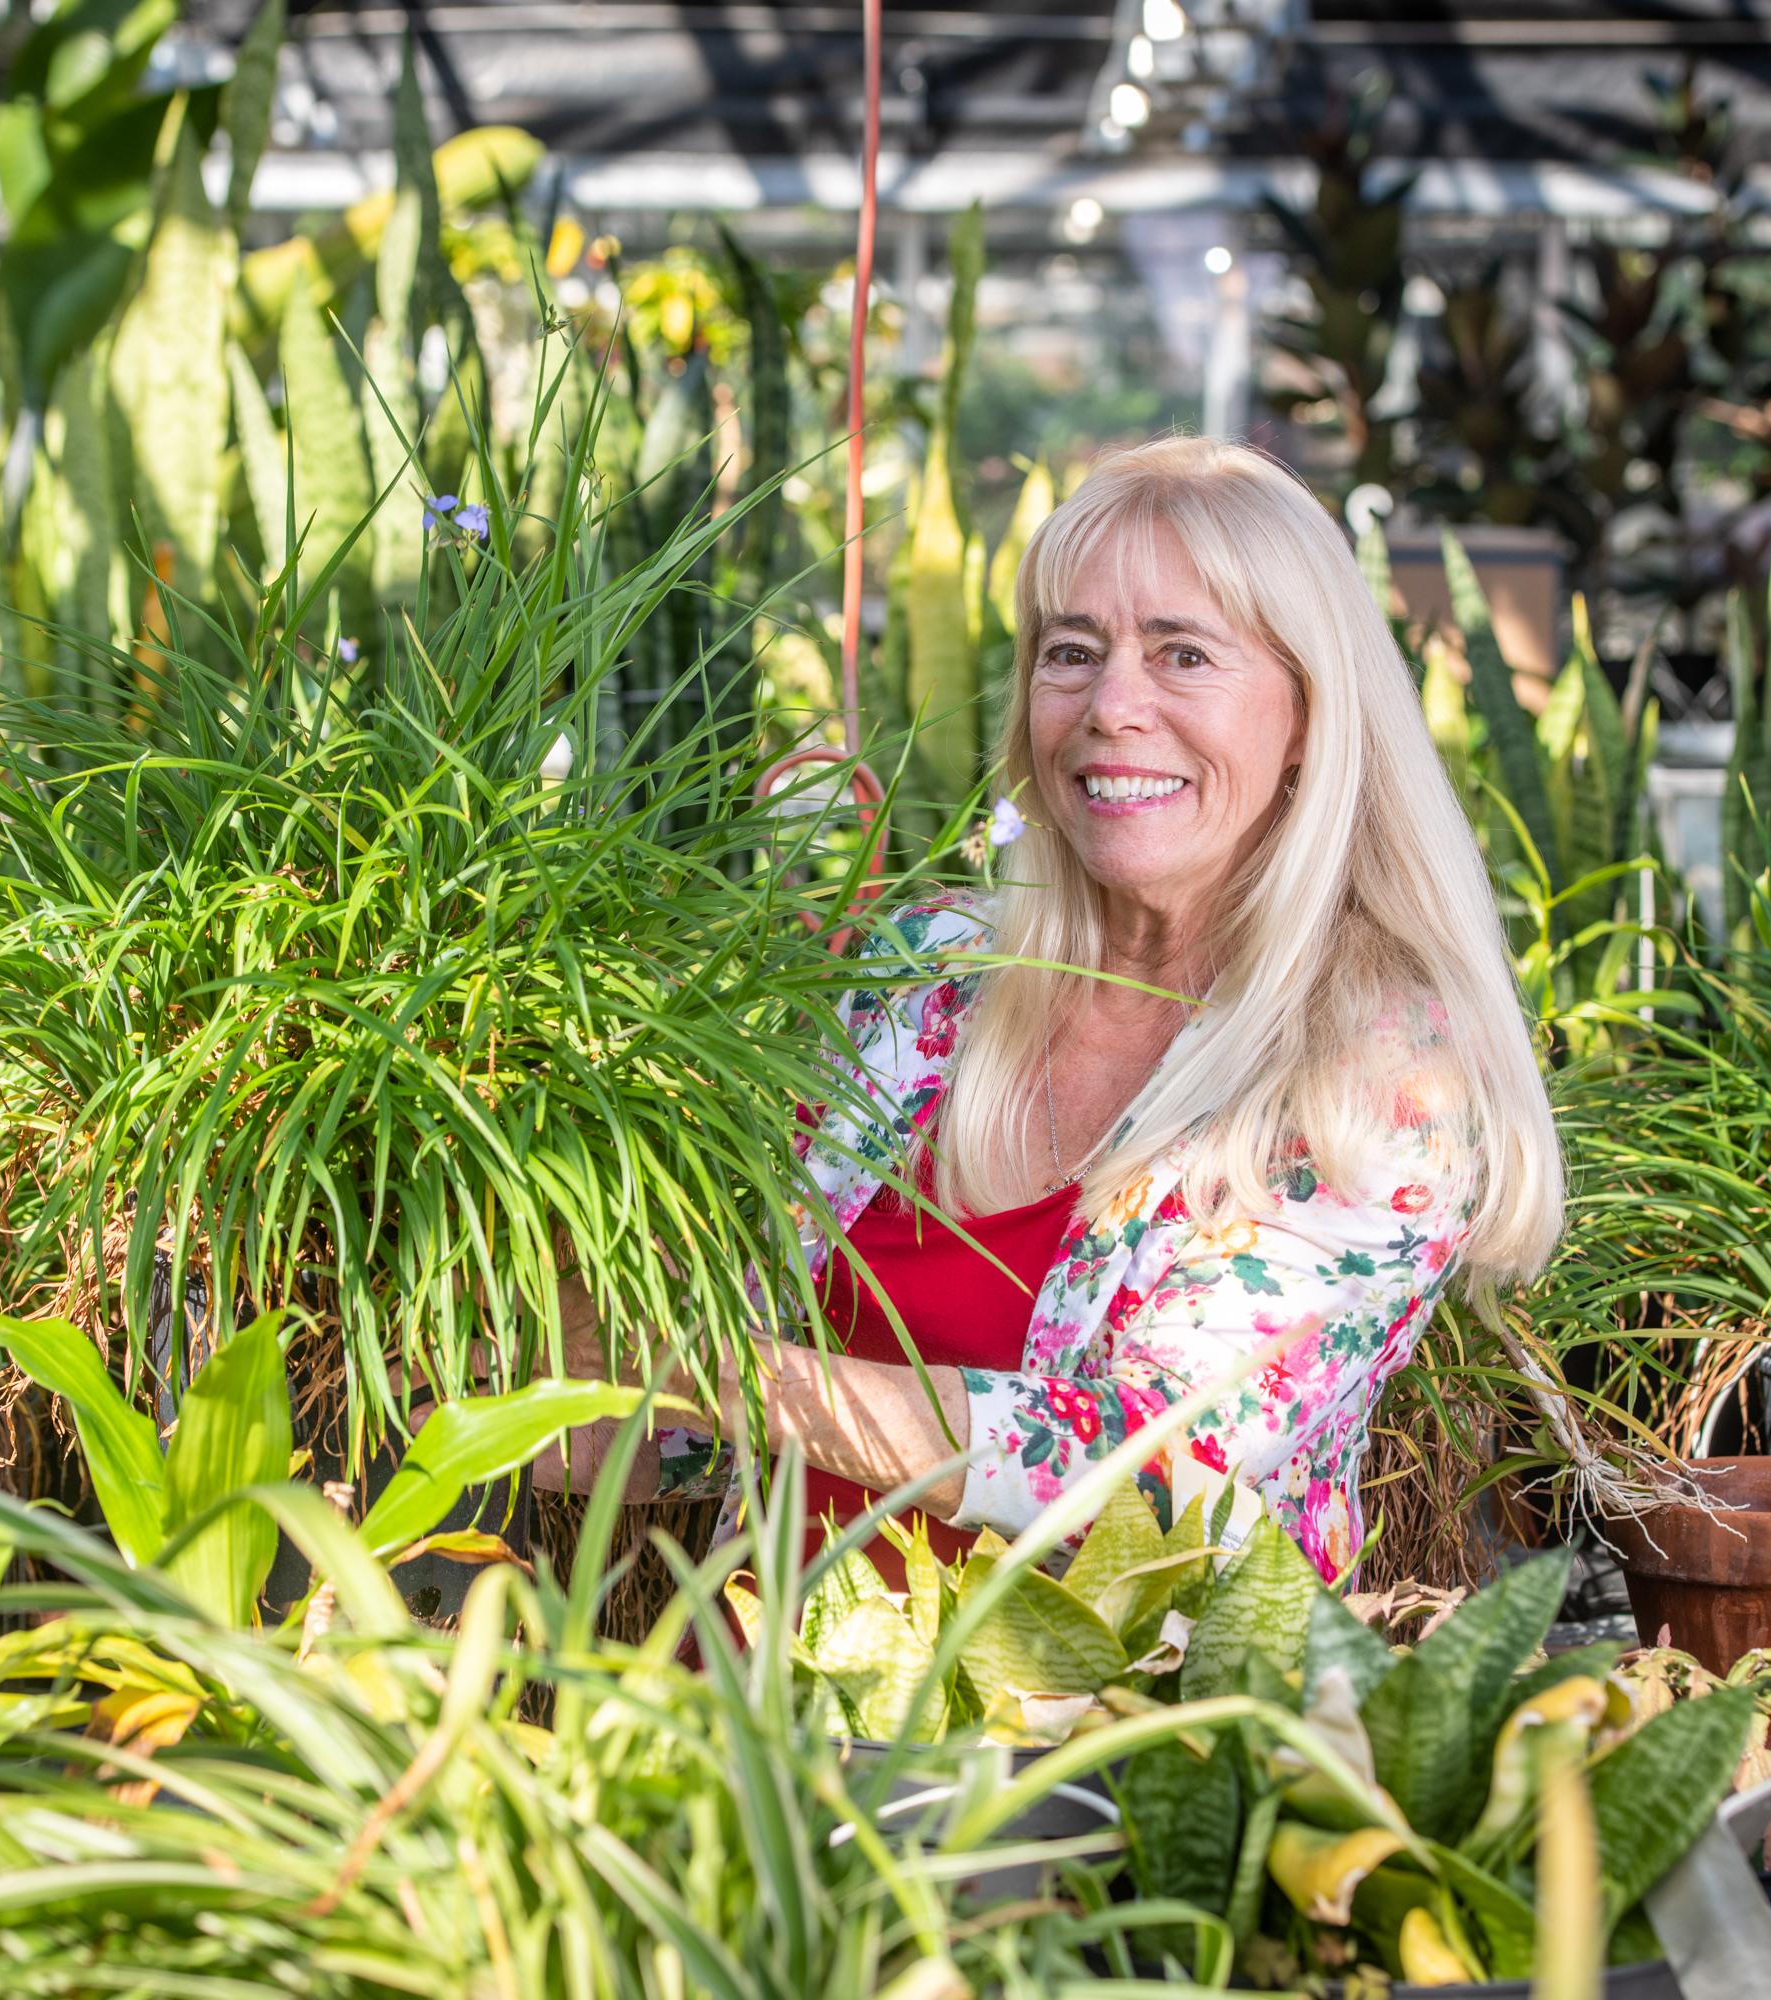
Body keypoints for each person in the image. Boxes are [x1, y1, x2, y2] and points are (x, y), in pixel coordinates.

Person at [560, 436, 1561, 1583]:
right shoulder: (932, 966)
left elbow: (1158, 1467)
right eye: (1072, 652)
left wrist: (708, 1371)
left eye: (1184, 653)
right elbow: (714, 1412)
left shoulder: (1380, 1071)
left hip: (1105, 1744)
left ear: (1309, 717)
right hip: (757, 1706)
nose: (1112, 706)